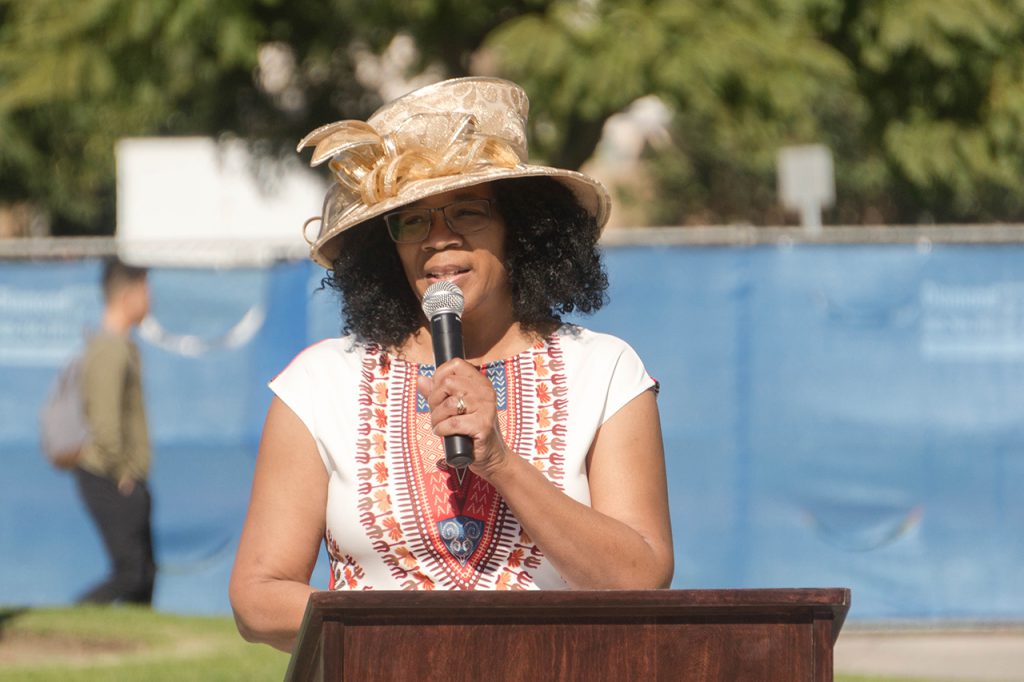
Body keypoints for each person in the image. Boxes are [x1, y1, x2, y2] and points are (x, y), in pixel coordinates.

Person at [230, 77, 673, 651]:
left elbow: (642, 580)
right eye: (411, 220)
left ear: (522, 228)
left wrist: (500, 462)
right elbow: (258, 597)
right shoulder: (320, 382)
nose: (439, 240)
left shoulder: (606, 371)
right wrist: (419, 632)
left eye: (467, 212)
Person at [74, 256, 156, 605]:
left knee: (143, 576)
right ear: (129, 295)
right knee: (131, 572)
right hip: (108, 475)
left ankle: (142, 655)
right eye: (146, 291)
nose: (150, 299)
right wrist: (124, 473)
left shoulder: (120, 345)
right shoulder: (110, 348)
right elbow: (104, 424)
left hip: (124, 476)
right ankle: (74, 621)